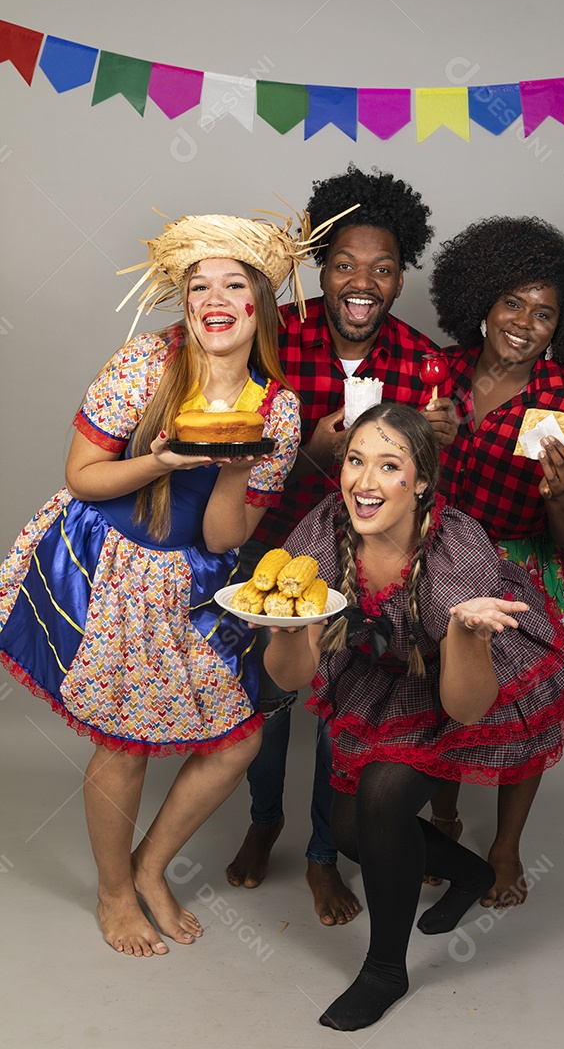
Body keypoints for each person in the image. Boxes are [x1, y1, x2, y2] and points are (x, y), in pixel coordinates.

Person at [0, 207, 343, 956]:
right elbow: (83, 477)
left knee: (236, 742)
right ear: (185, 303)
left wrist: (236, 466)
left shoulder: (278, 410)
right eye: (197, 287)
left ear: (261, 302)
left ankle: (150, 867)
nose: (213, 300)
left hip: (192, 579)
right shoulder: (145, 366)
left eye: (232, 284)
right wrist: (163, 459)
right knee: (123, 746)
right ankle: (113, 892)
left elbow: (224, 537)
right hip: (107, 561)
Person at [255, 403, 564, 1030]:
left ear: (422, 484)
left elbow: (466, 706)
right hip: (380, 677)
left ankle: (386, 969)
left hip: (472, 679)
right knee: (353, 833)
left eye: (389, 466)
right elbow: (292, 676)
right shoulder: (322, 533)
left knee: (383, 798)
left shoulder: (454, 554)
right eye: (356, 461)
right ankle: (470, 875)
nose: (364, 481)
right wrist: (283, 629)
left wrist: (466, 634)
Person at [226, 165, 459, 926]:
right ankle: (266, 821)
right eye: (346, 264)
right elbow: (224, 440)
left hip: (362, 570)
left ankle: (325, 855)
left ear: (399, 280)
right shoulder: (270, 335)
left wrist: (436, 444)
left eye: (383, 268)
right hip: (266, 547)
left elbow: (421, 486)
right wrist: (303, 456)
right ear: (322, 270)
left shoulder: (424, 365)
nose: (363, 280)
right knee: (268, 699)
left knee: (340, 714)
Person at [428, 215, 564, 908]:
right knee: (442, 693)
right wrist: (427, 440)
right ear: (484, 300)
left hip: (529, 568)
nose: (523, 323)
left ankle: (504, 847)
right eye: (513, 302)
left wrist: (563, 493)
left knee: (528, 711)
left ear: (560, 329)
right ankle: (442, 819)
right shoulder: (435, 373)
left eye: (544, 314)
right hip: (446, 557)